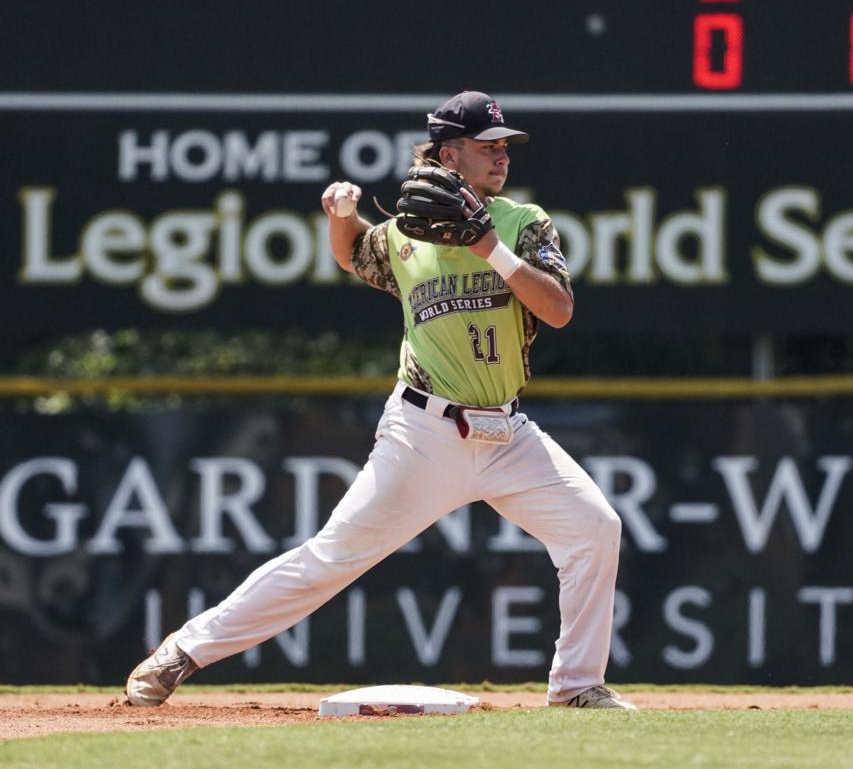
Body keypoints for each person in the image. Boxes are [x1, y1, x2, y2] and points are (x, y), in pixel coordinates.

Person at [124, 91, 634, 711]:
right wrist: (341, 214)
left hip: (508, 434)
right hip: (424, 434)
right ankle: (183, 651)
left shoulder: (524, 224)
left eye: (505, 146)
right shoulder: (402, 238)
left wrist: (486, 246)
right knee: (331, 558)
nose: (501, 156)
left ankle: (577, 686)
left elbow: (557, 310)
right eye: (487, 146)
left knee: (595, 528)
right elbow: (352, 253)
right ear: (449, 154)